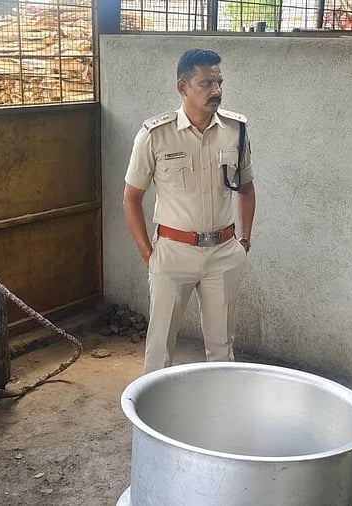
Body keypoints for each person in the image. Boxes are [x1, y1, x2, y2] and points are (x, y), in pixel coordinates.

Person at [123, 49, 256, 374]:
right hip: (173, 253)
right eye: (206, 83)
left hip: (223, 253)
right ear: (183, 88)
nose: (216, 90)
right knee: (160, 347)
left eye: (219, 82)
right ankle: (153, 405)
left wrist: (244, 242)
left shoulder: (235, 131)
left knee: (222, 349)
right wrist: (149, 254)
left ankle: (219, 405)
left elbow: (246, 187)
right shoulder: (155, 135)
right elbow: (131, 197)